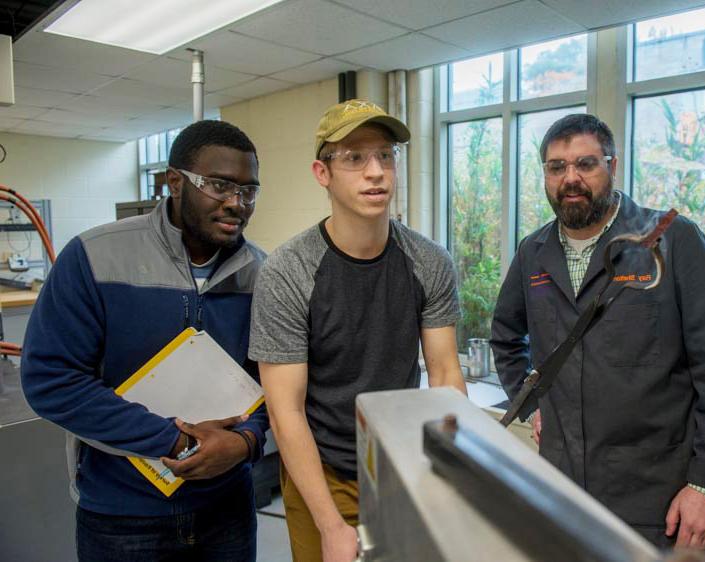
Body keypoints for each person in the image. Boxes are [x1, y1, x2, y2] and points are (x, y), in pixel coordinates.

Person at [491, 113, 705, 550]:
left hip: (658, 499)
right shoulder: (533, 252)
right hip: (563, 486)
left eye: (585, 164)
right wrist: (533, 403)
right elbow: (505, 335)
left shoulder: (672, 241)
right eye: (556, 167)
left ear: (613, 165)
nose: (570, 178)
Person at [21, 120, 270, 561]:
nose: (237, 203)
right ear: (174, 182)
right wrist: (173, 441)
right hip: (122, 515)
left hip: (227, 510)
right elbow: (51, 381)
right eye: (219, 185)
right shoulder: (94, 256)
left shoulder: (262, 273)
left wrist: (246, 441)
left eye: (249, 191)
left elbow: (272, 381)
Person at [250, 99, 467, 562]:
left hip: (401, 462)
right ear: (322, 172)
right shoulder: (288, 271)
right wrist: (330, 524)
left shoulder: (429, 262)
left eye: (385, 156)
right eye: (354, 158)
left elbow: (446, 373)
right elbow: (284, 410)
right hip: (321, 468)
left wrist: (448, 473)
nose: (376, 172)